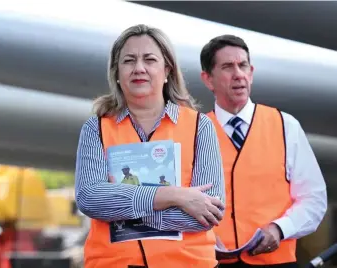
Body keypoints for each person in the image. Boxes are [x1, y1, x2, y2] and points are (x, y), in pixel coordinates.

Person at [75, 24, 226, 268]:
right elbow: (91, 198)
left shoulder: (200, 126)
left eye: (149, 59)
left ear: (167, 69)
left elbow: (208, 213)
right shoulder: (96, 128)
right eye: (129, 61)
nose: (139, 68)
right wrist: (172, 195)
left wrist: (122, 209)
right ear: (116, 71)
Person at [199, 34, 327, 268]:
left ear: (251, 73)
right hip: (212, 262)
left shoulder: (285, 125)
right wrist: (201, 236)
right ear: (208, 79)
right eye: (228, 67)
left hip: (276, 262)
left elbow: (314, 199)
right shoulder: (195, 131)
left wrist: (280, 229)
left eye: (243, 65)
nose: (238, 74)